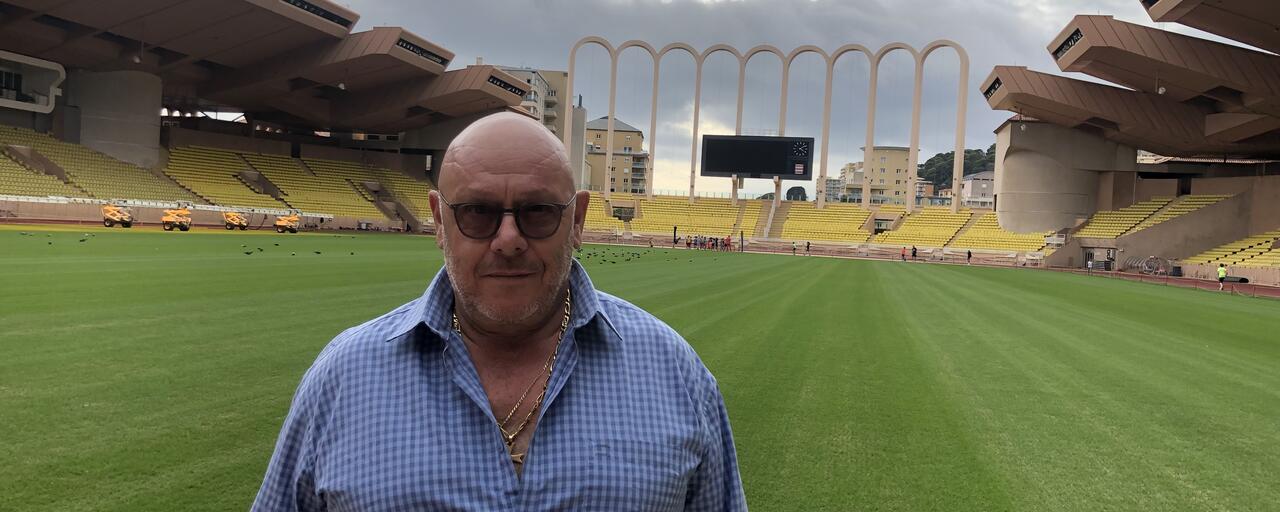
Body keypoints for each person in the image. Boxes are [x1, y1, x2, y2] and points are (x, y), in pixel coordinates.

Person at [252, 113, 745, 510]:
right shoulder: (343, 377)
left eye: (537, 212)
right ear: (440, 221)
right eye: (477, 212)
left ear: (576, 220)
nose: (508, 240)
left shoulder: (673, 370)